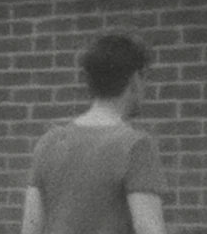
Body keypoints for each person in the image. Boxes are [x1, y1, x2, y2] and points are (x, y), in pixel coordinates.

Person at [22, 34, 169, 234]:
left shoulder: (49, 142)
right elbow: (149, 228)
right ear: (135, 79)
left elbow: (30, 228)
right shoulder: (135, 146)